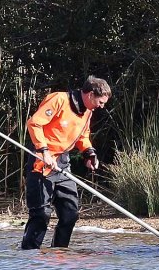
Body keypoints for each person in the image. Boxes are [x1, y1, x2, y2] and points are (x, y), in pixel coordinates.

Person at [20, 76, 111, 249]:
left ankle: (59, 254)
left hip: (62, 164)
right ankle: (29, 255)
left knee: (70, 214)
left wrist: (89, 154)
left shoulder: (87, 112)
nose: (102, 106)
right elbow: (34, 124)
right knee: (41, 214)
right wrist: (43, 151)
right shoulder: (59, 100)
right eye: (100, 102)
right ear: (91, 95)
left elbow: (83, 136)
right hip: (41, 162)